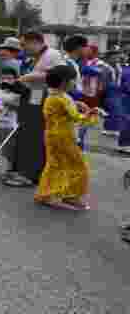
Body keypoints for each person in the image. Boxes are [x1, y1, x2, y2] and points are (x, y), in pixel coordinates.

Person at [35, 65, 100, 210]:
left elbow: (67, 109)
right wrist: (94, 113)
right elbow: (77, 117)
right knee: (78, 166)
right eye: (73, 80)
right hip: (63, 137)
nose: (75, 83)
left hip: (54, 136)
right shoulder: (60, 99)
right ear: (64, 82)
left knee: (55, 165)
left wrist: (76, 104)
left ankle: (48, 194)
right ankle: (70, 195)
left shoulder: (55, 96)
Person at [7, 31, 65, 187]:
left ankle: (30, 174)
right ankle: (26, 171)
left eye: (24, 44)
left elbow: (59, 75)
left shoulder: (52, 54)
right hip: (32, 100)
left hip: (43, 101)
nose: (23, 48)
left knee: (35, 139)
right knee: (27, 137)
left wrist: (29, 77)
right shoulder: (34, 57)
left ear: (35, 42)